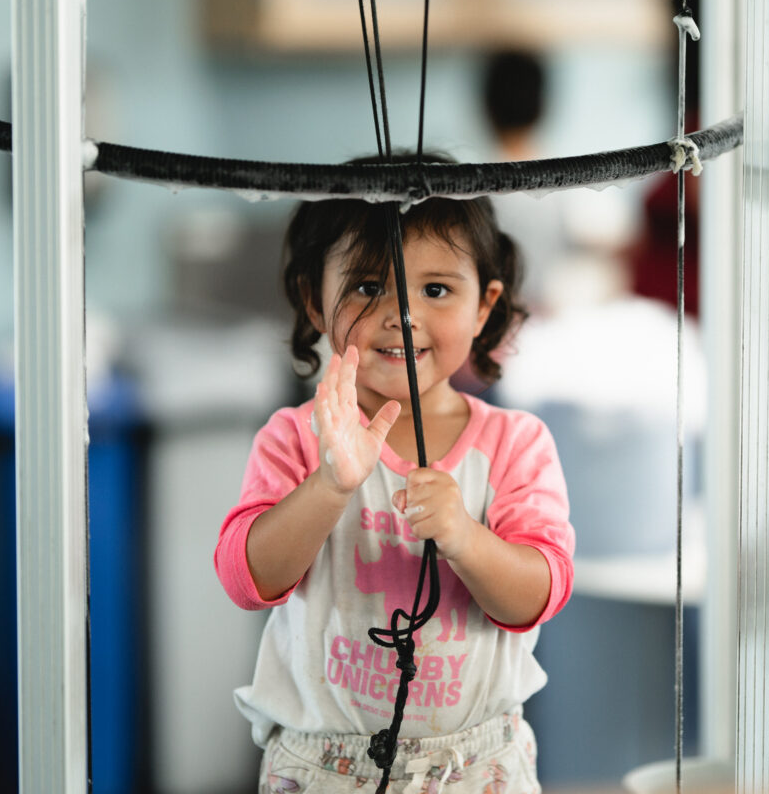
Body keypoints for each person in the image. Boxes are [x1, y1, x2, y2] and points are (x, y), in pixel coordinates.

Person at [215, 156, 576, 794]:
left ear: (485, 306)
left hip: (478, 767)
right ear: (314, 300)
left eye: (437, 290)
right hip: (324, 767)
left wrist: (465, 536)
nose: (401, 315)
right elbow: (249, 579)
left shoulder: (515, 444)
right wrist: (330, 484)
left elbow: (536, 596)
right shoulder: (298, 438)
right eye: (365, 286)